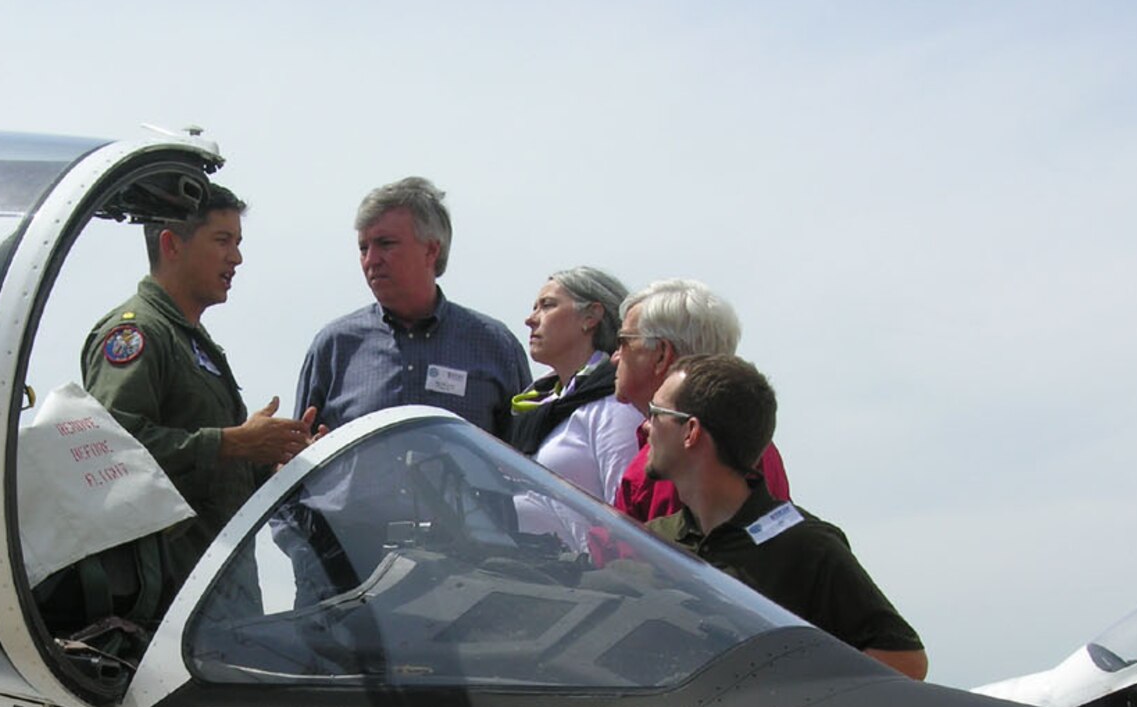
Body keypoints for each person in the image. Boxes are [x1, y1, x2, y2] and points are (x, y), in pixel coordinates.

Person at [642, 355, 927, 679]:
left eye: (656, 413)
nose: (646, 426)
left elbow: (906, 660)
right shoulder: (654, 542)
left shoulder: (806, 547)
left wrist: (782, 694)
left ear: (690, 431)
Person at [81, 182, 315, 541]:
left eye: (237, 243)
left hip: (213, 578)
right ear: (172, 244)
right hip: (167, 586)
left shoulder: (193, 344)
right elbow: (110, 453)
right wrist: (232, 443)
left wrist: (274, 459)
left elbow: (213, 483)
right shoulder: (137, 334)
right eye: (222, 240)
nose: (236, 258)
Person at [295, 177, 529, 436]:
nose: (371, 260)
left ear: (431, 251)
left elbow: (526, 459)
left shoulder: (495, 346)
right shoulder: (335, 346)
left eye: (386, 244)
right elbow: (297, 458)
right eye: (363, 248)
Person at [609, 279, 788, 523]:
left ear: (662, 353)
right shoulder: (741, 439)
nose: (614, 357)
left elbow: (646, 557)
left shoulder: (688, 452)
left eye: (623, 342)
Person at [505, 267, 640, 502]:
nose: (530, 320)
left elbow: (626, 510)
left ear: (591, 317)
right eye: (534, 308)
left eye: (547, 306)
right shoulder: (541, 403)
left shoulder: (614, 403)